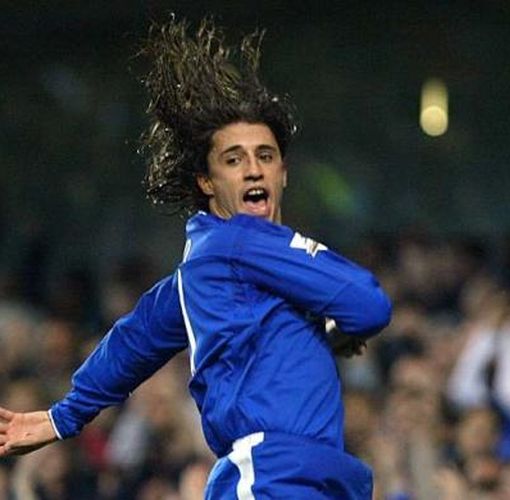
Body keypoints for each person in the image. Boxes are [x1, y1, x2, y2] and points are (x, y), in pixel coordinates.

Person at [0, 17, 391, 500]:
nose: (253, 168)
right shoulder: (240, 244)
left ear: (283, 172)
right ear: (206, 182)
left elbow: (134, 341)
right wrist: (343, 326)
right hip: (275, 475)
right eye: (234, 159)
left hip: (316, 475)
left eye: (265, 155)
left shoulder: (202, 275)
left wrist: (64, 415)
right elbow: (369, 304)